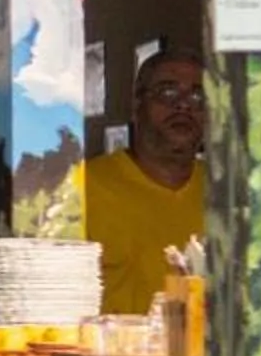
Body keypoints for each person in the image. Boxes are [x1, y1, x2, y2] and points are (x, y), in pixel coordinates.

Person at [81, 45, 206, 316]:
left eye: (198, 97)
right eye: (168, 92)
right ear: (136, 106)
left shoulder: (227, 196)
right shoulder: (83, 189)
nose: (183, 105)